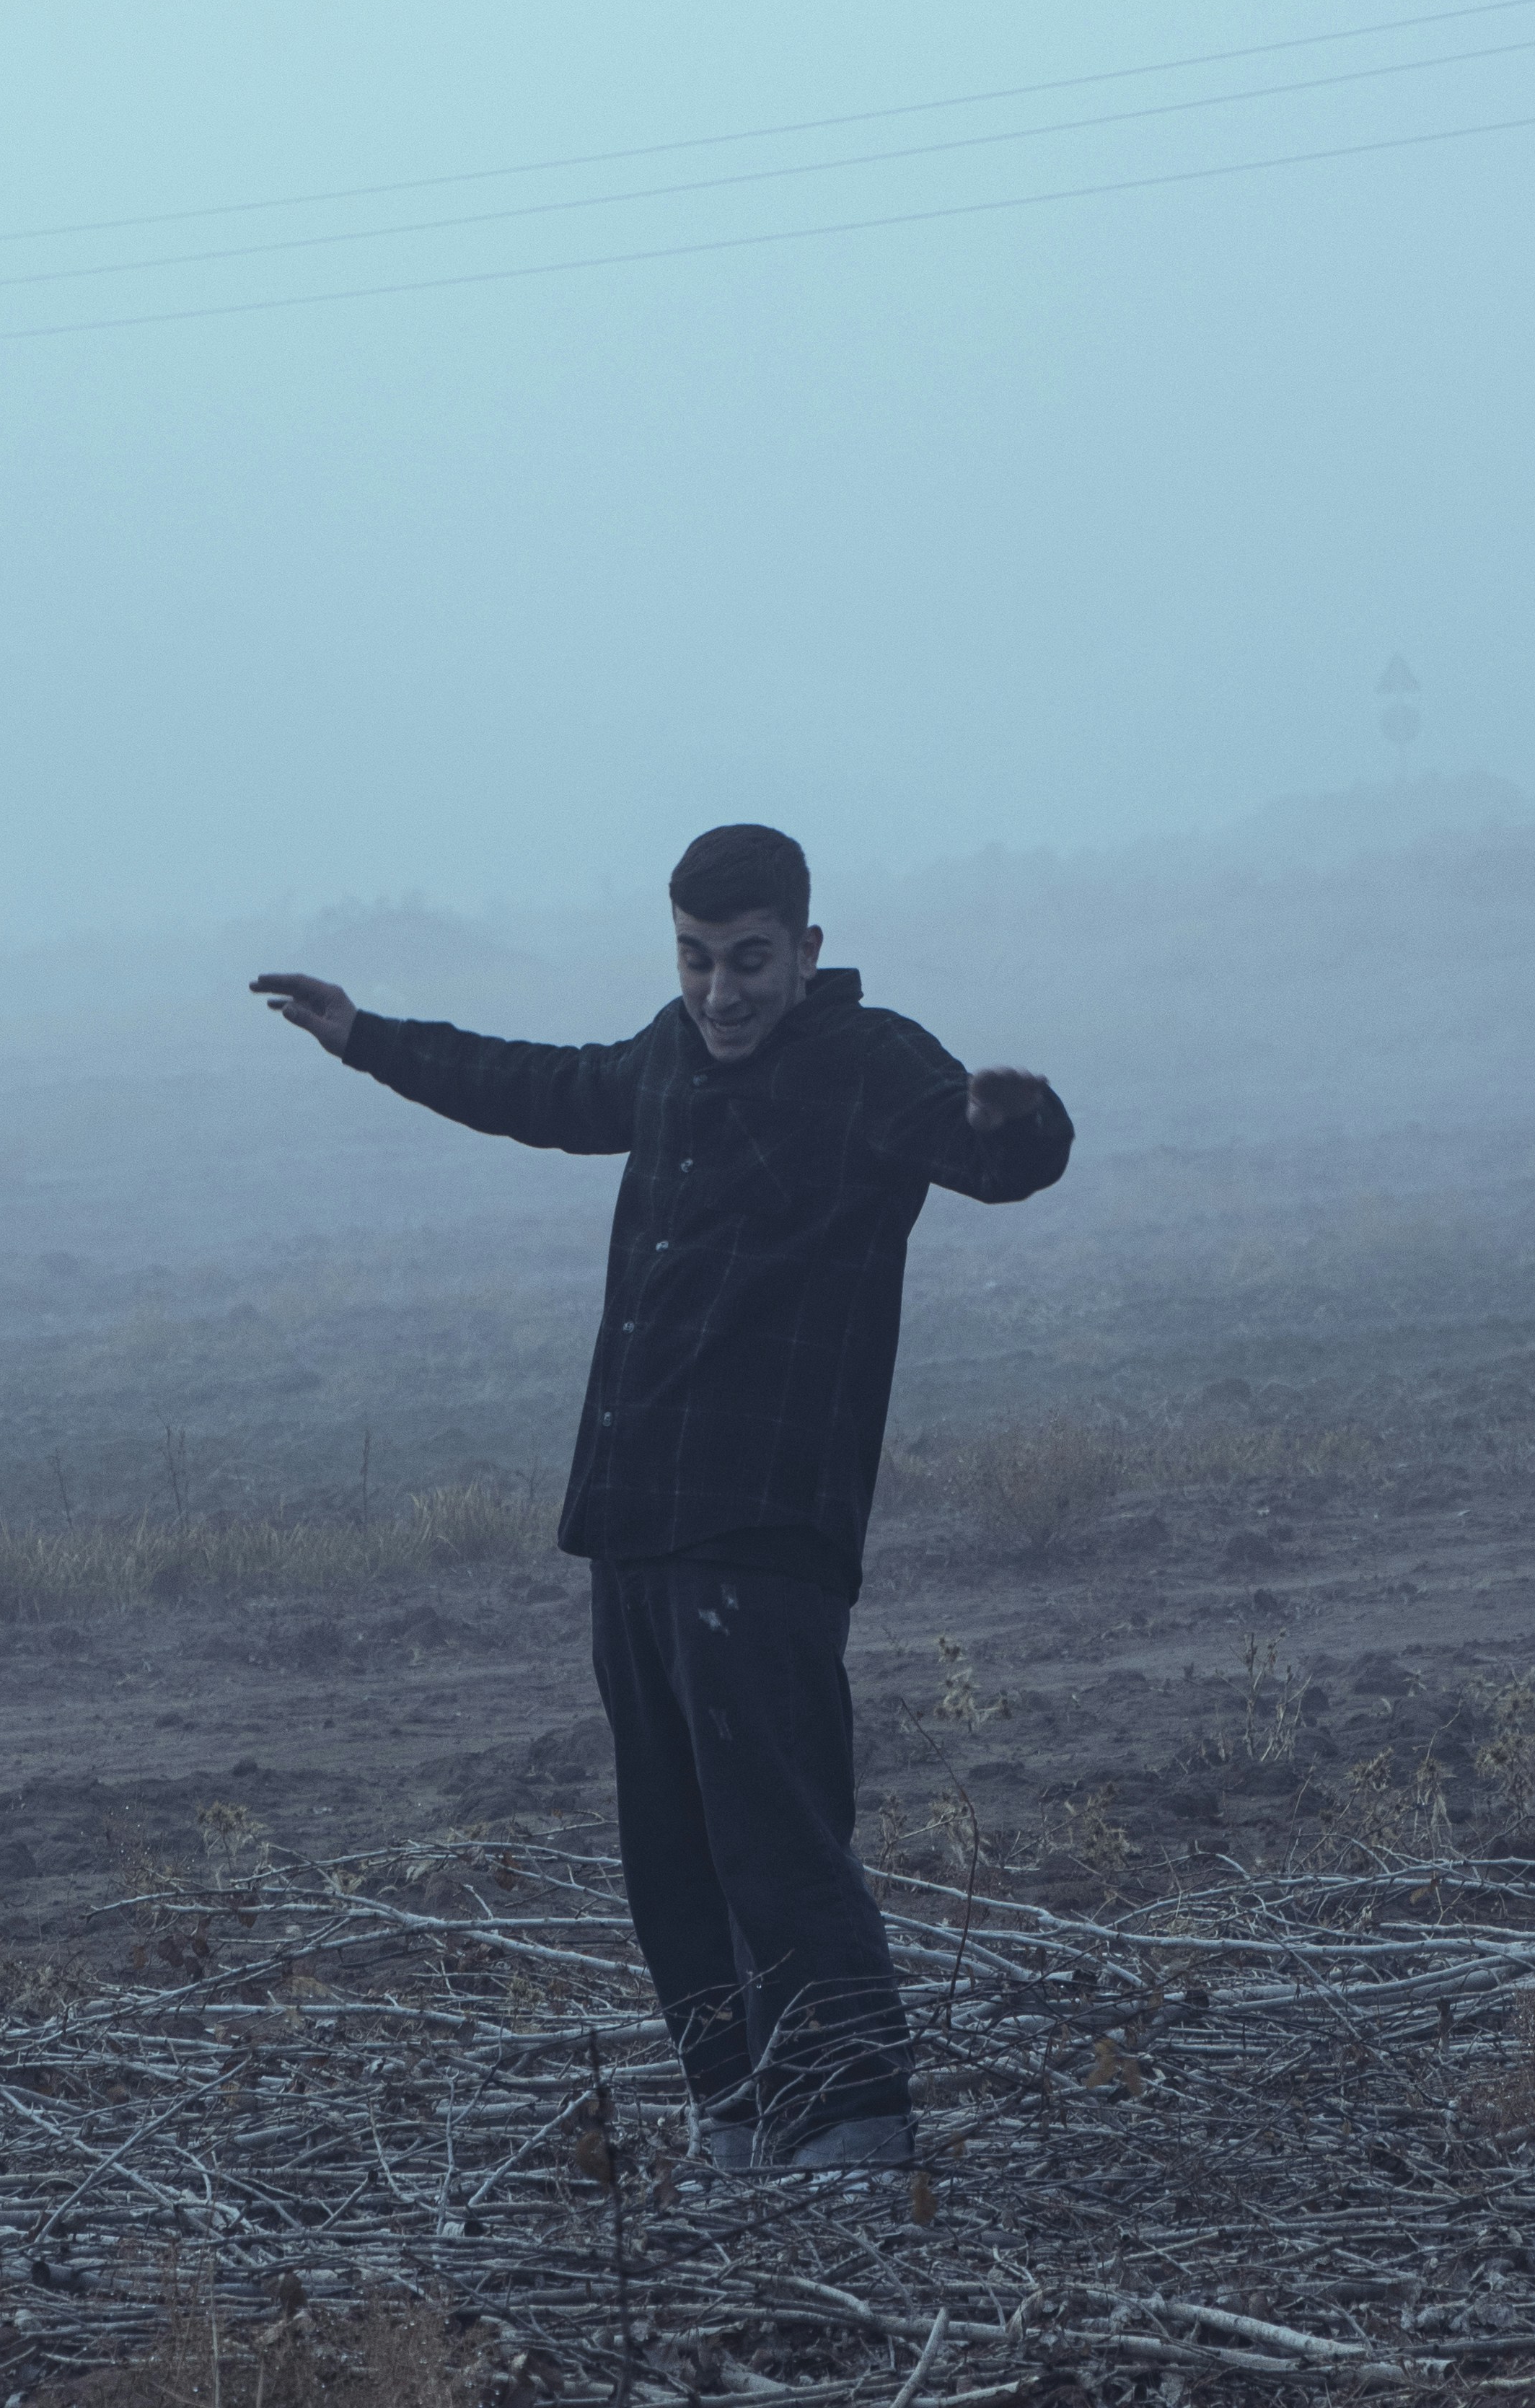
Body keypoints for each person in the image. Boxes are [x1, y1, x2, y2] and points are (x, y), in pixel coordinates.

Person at [251, 819, 1071, 2172]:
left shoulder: (873, 1062)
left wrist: (1020, 1120)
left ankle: (858, 2129)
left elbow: (990, 1160)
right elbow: (543, 1088)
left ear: (806, 950)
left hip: (764, 1530)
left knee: (779, 1838)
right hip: (630, 1521)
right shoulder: (668, 1056)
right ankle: (738, 2121)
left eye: (749, 961)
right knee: (671, 1856)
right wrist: (369, 1037)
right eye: (696, 960)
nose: (720, 992)